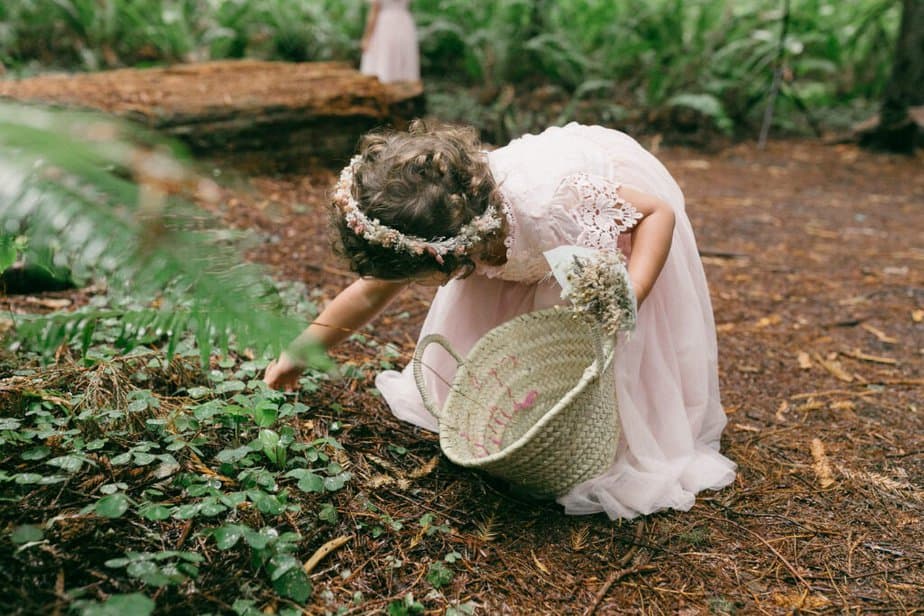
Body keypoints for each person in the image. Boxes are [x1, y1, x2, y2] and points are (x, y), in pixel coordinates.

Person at [264, 121, 737, 520]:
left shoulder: (552, 206)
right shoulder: (449, 219)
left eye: (413, 277)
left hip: (601, 224)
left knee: (605, 345)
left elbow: (656, 212)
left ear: (444, 258)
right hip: (524, 244)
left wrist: (631, 291)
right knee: (520, 309)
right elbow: (370, 291)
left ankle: (606, 426)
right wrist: (299, 351)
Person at [359, 0, 420, 83]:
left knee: (384, 58)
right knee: (402, 59)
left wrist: (367, 37)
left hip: (385, 24)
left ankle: (383, 85)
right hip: (404, 22)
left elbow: (374, 11)